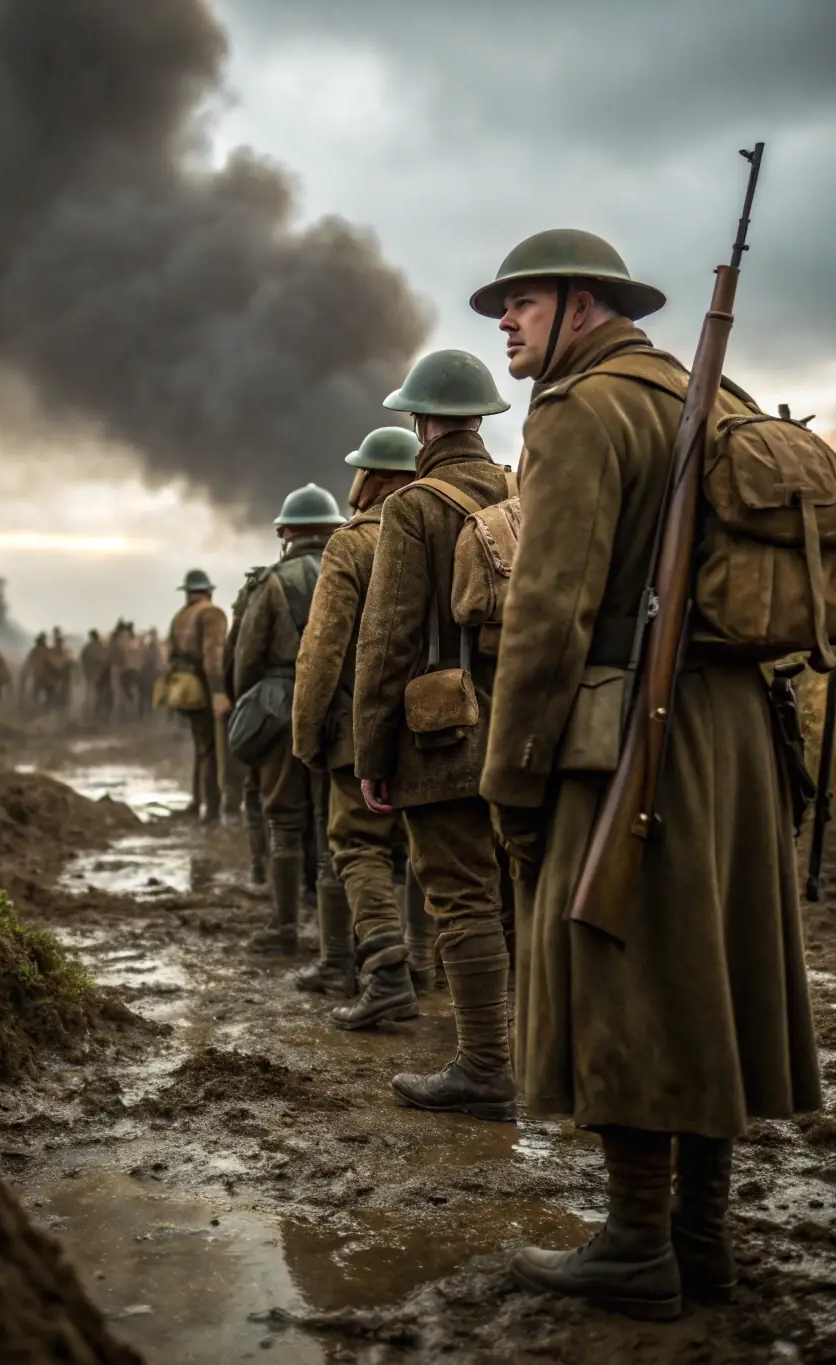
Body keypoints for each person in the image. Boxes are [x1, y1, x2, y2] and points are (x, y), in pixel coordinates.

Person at [472, 229, 821, 1318]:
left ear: (582, 304)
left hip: (630, 732)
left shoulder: (582, 409)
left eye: (520, 302)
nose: (503, 321)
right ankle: (699, 1242)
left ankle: (634, 1243)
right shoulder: (710, 395)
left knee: (619, 981)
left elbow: (546, 614)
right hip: (732, 738)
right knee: (704, 981)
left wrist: (510, 780)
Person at [353, 349, 514, 1118]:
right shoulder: (520, 489)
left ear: (420, 422)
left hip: (440, 734)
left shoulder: (413, 505)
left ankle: (485, 1065)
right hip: (521, 722)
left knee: (461, 897)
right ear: (480, 419)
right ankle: (536, 1052)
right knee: (517, 894)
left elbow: (384, 641)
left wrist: (372, 754)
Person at [293, 426, 435, 1018]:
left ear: (375, 478)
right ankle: (424, 963)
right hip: (438, 720)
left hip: (360, 728)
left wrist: (307, 736)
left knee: (357, 847)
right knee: (425, 850)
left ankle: (385, 974)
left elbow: (322, 649)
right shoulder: (446, 527)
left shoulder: (351, 545)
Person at [234, 484, 346, 955]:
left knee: (283, 819)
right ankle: (336, 944)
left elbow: (246, 658)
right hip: (338, 711)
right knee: (330, 826)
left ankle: (284, 929)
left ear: (285, 531)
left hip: (279, 708)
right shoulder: (351, 570)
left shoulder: (272, 583)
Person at [167, 571, 230, 824]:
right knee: (213, 750)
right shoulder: (211, 613)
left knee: (201, 748)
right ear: (209, 591)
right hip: (204, 687)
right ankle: (212, 810)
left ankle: (197, 802)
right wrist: (218, 692)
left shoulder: (180, 616)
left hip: (184, 688)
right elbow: (213, 657)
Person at [225, 563, 272, 886]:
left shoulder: (263, 587)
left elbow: (240, 656)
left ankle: (260, 868)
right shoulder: (340, 565)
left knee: (258, 793)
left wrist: (243, 703)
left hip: (269, 707)